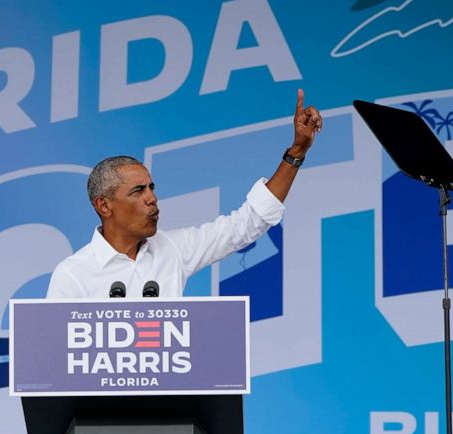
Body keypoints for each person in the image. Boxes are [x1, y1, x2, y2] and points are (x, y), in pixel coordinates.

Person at [46, 89, 322, 299]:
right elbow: (54, 360)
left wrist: (297, 152)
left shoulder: (173, 249)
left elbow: (246, 224)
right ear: (104, 206)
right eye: (138, 191)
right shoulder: (73, 275)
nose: (152, 199)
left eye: (151, 188)